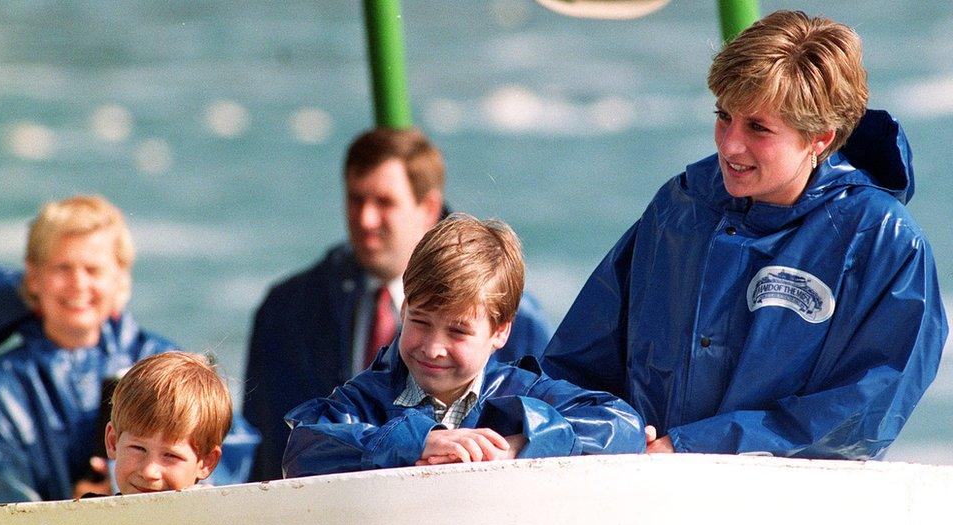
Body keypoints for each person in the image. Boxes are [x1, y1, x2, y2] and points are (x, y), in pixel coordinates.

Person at [540, 11, 947, 459]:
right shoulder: (682, 206)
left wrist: (695, 446)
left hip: (779, 506)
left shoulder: (884, 241)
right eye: (724, 116)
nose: (729, 144)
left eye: (758, 127)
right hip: (648, 489)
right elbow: (579, 365)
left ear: (819, 138)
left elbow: (861, 416)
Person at [245, 128, 553, 480]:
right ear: (406, 310)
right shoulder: (287, 308)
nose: (365, 220)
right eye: (356, 200)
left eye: (384, 202)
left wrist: (525, 443)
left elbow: (601, 420)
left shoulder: (517, 315)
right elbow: (274, 447)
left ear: (429, 207)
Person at [282, 214, 643, 477]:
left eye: (457, 332)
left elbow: (622, 424)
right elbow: (303, 449)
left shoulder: (524, 392)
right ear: (403, 309)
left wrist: (520, 444)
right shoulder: (363, 400)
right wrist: (417, 442)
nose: (434, 348)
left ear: (500, 332)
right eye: (420, 321)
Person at [0, 195, 256, 504]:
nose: (78, 283)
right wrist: (78, 511)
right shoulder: (0, 386)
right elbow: (4, 497)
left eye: (93, 270)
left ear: (120, 279)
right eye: (62, 268)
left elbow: (232, 454)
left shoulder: (158, 358)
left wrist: (144, 488)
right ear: (33, 278)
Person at [104, 351, 230, 495]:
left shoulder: (215, 516)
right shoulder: (85, 514)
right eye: (138, 448)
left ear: (206, 462)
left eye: (170, 455)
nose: (149, 472)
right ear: (113, 442)